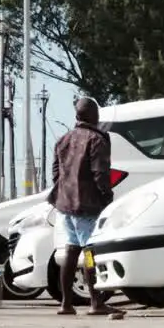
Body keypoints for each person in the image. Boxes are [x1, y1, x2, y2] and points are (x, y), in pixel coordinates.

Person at [48, 97, 121, 316]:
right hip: (87, 206)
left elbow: (55, 174)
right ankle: (96, 302)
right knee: (89, 253)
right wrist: (107, 197)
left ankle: (66, 303)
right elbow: (101, 174)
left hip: (65, 205)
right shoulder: (96, 140)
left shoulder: (63, 140)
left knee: (71, 251)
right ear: (93, 116)